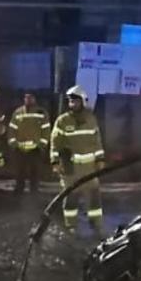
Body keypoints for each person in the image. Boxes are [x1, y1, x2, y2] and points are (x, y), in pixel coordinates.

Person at [51, 85, 107, 235]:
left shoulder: (91, 119)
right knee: (71, 198)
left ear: (83, 101)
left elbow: (97, 141)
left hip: (90, 168)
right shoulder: (62, 121)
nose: (72, 104)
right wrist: (55, 162)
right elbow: (55, 144)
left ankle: (97, 225)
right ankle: (71, 227)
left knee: (94, 197)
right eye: (70, 101)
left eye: (75, 101)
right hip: (71, 168)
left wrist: (100, 159)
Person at [7, 92, 50, 195]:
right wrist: (14, 145)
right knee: (19, 173)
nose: (28, 100)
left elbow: (46, 131)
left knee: (34, 174)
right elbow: (12, 130)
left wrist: (41, 146)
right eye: (26, 97)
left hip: (35, 150)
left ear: (35, 99)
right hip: (20, 149)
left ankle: (34, 195)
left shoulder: (41, 113)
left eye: (30, 98)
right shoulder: (18, 113)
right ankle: (18, 193)